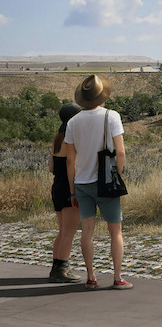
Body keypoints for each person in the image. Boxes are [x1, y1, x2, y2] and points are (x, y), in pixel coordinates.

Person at [65, 74, 132, 290]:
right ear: (102, 95)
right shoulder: (111, 116)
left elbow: (70, 160)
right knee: (116, 232)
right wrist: (116, 175)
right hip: (106, 181)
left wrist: (72, 190)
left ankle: (91, 276)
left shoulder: (73, 122)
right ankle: (117, 277)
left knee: (87, 232)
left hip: (82, 183)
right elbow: (120, 152)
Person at [47, 102, 83, 283]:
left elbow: (51, 167)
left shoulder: (57, 136)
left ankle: (56, 268)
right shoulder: (72, 137)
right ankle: (62, 269)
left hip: (56, 186)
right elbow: (72, 165)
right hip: (69, 188)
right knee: (69, 232)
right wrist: (73, 191)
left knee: (62, 231)